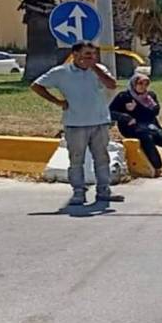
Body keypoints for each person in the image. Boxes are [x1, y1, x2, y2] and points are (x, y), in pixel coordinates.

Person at [30, 41, 124, 206]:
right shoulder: (61, 72)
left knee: (102, 158)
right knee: (76, 160)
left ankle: (104, 191)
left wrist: (94, 67)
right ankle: (78, 192)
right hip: (75, 123)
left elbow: (112, 85)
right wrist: (58, 102)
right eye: (87, 54)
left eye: (93, 54)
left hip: (99, 121)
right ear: (75, 54)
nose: (90, 57)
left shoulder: (99, 70)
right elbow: (36, 86)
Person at [109, 73, 162, 177]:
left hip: (150, 125)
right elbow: (110, 112)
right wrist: (126, 117)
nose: (143, 86)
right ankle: (158, 169)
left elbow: (154, 112)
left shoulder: (150, 96)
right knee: (147, 139)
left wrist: (136, 109)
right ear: (134, 84)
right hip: (131, 127)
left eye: (146, 84)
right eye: (140, 83)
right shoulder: (124, 97)